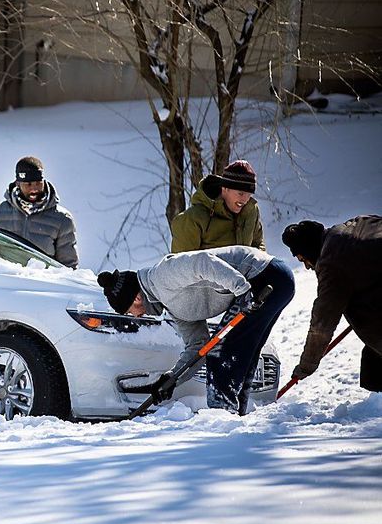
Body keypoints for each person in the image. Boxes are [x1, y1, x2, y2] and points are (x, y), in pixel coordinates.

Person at [98, 246, 294, 414]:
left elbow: (202, 262)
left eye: (129, 311)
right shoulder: (172, 307)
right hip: (268, 284)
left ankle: (223, 423)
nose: (135, 316)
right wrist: (172, 378)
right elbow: (198, 346)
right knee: (241, 357)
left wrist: (242, 290)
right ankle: (236, 420)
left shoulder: (161, 276)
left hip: (263, 276)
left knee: (221, 355)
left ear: (136, 299)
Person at [281, 216, 382, 392]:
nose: (306, 266)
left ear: (309, 249)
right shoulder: (358, 223)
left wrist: (306, 366)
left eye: (302, 259)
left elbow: (322, 323)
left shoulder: (332, 262)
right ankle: (375, 401)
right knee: (372, 360)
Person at [0, 156, 79, 268]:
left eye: (38, 183)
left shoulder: (62, 219)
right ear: (18, 184)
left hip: (41, 283)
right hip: (6, 281)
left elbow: (68, 267)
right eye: (28, 184)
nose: (34, 189)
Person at [170, 159, 266, 253]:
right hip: (208, 269)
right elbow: (182, 265)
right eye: (240, 193)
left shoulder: (250, 211)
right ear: (224, 188)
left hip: (246, 268)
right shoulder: (192, 220)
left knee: (278, 267)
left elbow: (258, 245)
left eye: (249, 195)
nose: (245, 200)